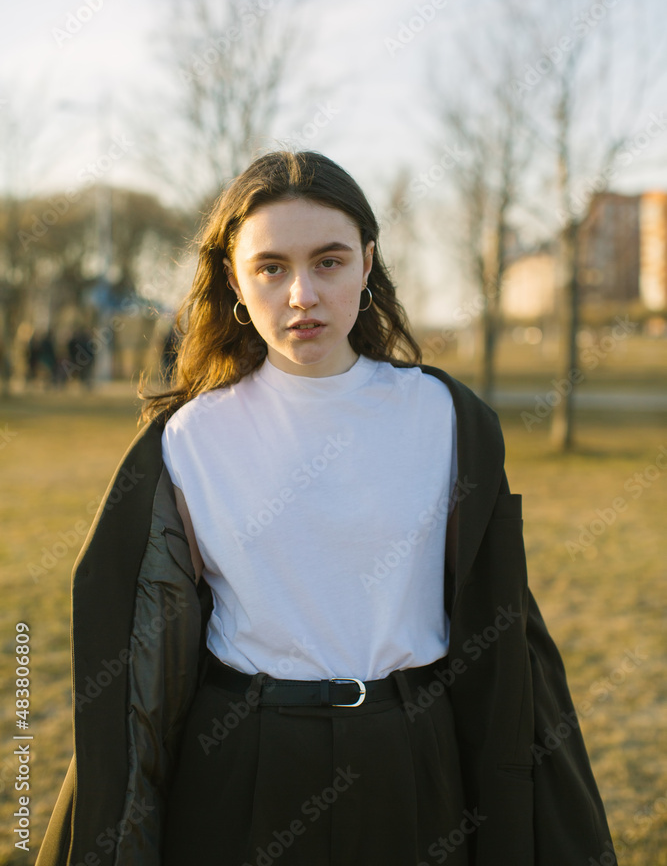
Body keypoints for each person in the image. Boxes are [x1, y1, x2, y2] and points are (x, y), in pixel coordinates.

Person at [36, 151, 617, 866]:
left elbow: (498, 636)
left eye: (329, 262)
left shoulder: (446, 418)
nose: (302, 294)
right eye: (271, 267)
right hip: (243, 764)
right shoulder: (188, 440)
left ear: (367, 263)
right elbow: (140, 661)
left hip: (412, 761)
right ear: (233, 281)